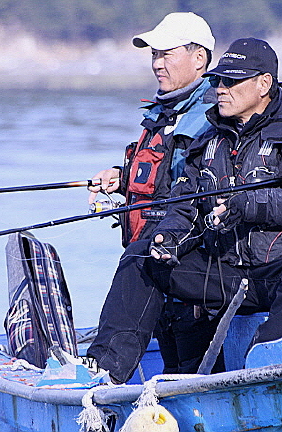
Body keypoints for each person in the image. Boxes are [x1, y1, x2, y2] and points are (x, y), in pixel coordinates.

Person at [87, 37, 282, 385]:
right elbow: (185, 205)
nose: (221, 89)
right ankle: (105, 371)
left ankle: (261, 366)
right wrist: (170, 237)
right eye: (218, 80)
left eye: (232, 81)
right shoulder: (209, 139)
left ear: (264, 84)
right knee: (142, 256)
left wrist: (247, 205)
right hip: (230, 275)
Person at [87, 12, 226, 376]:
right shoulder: (167, 109)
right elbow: (163, 170)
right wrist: (122, 178)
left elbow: (199, 179)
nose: (157, 64)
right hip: (157, 260)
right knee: (174, 367)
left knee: (196, 369)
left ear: (199, 58)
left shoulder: (214, 111)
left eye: (167, 54)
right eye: (154, 55)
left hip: (185, 256)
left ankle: (102, 373)